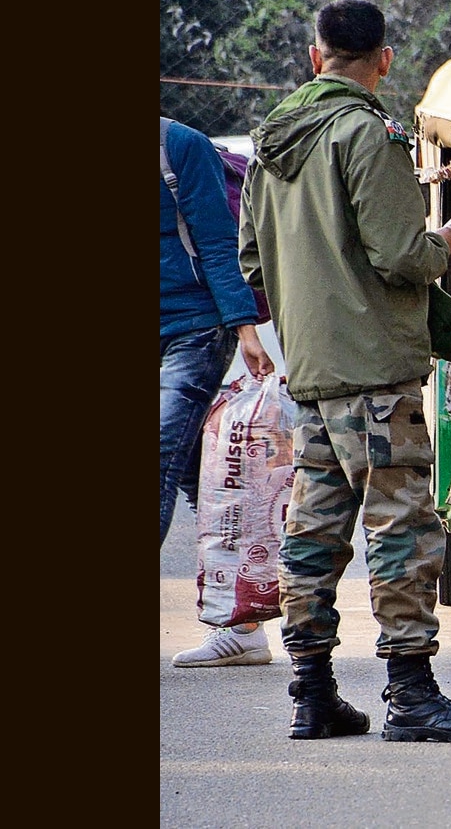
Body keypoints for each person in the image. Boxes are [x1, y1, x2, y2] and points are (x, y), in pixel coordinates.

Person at [238, 0, 451, 743]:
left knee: (314, 533)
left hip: (313, 371)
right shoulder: (367, 133)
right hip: (377, 373)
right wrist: (443, 242)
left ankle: (312, 693)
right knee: (402, 528)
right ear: (383, 60)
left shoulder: (270, 143)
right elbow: (400, 256)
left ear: (312, 55)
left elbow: (252, 261)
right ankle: (411, 695)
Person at [161, 116, 278, 667]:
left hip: (194, 329)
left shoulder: (180, 146)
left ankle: (241, 623)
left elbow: (216, 242)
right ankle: (243, 624)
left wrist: (245, 328)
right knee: (192, 471)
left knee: (161, 456)